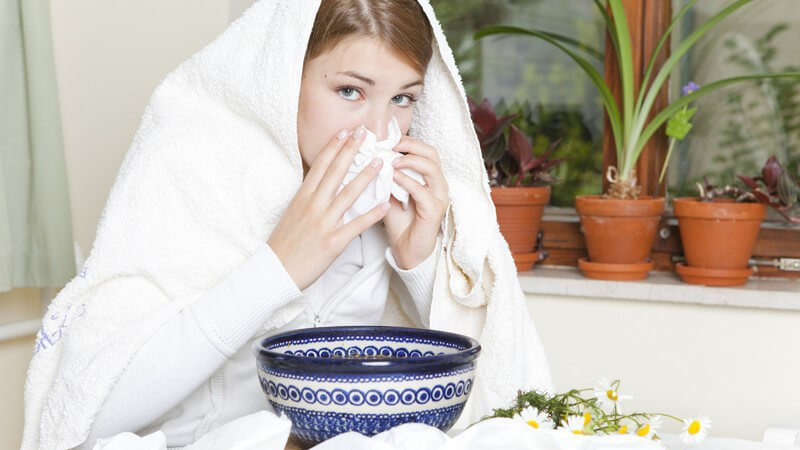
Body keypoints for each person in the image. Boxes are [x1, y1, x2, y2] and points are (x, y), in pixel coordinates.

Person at [23, 1, 554, 449]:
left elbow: (492, 401)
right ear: (279, 81)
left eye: (403, 98)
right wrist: (278, 269)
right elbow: (85, 415)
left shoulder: (394, 211)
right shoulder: (189, 171)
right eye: (350, 90)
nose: (379, 130)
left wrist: (417, 266)